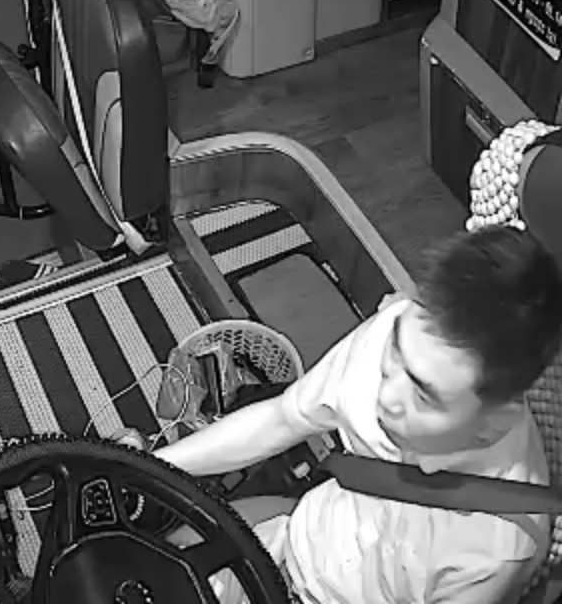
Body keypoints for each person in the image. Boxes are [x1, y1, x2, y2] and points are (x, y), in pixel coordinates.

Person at [133, 224, 562, 603]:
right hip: (293, 538)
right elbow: (282, 418)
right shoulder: (402, 331)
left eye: (424, 395)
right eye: (396, 354)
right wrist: (144, 466)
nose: (386, 395)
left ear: (493, 425)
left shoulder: (496, 551)